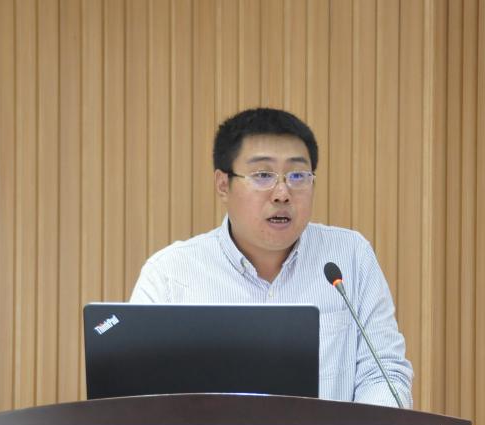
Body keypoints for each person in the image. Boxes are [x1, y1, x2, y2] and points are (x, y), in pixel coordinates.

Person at [129, 107, 413, 408]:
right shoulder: (170, 273)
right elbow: (136, 391)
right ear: (223, 184)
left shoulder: (349, 257)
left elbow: (384, 373)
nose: (282, 193)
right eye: (263, 175)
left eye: (298, 175)